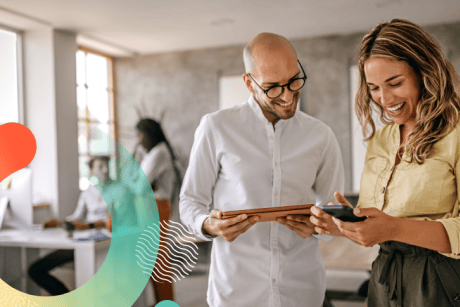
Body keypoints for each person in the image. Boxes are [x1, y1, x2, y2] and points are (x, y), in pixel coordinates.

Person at [179, 32, 345, 307]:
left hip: (303, 290)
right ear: (249, 82)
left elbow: (331, 208)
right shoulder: (216, 127)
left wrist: (319, 226)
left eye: (294, 81)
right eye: (273, 87)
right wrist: (210, 225)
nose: (288, 95)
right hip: (236, 291)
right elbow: (190, 201)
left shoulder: (321, 135)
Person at [310, 19, 460, 307]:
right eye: (374, 87)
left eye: (395, 83)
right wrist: (340, 226)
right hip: (384, 282)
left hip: (442, 283)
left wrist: (394, 229)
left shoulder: (455, 133)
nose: (384, 98)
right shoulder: (381, 140)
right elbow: (378, 227)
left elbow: (393, 227)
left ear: (424, 73)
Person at [28, 156, 112, 295]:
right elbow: (76, 217)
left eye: (107, 166)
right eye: (100, 167)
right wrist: (59, 222)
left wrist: (88, 226)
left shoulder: (118, 190)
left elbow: (116, 221)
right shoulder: (87, 193)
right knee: (35, 270)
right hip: (85, 239)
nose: (106, 170)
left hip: (106, 241)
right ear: (90, 171)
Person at [134, 118, 181, 302]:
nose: (138, 139)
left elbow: (139, 184)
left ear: (148, 133)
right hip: (152, 207)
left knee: (158, 258)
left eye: (140, 134)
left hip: (156, 208)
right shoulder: (154, 152)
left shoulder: (159, 152)